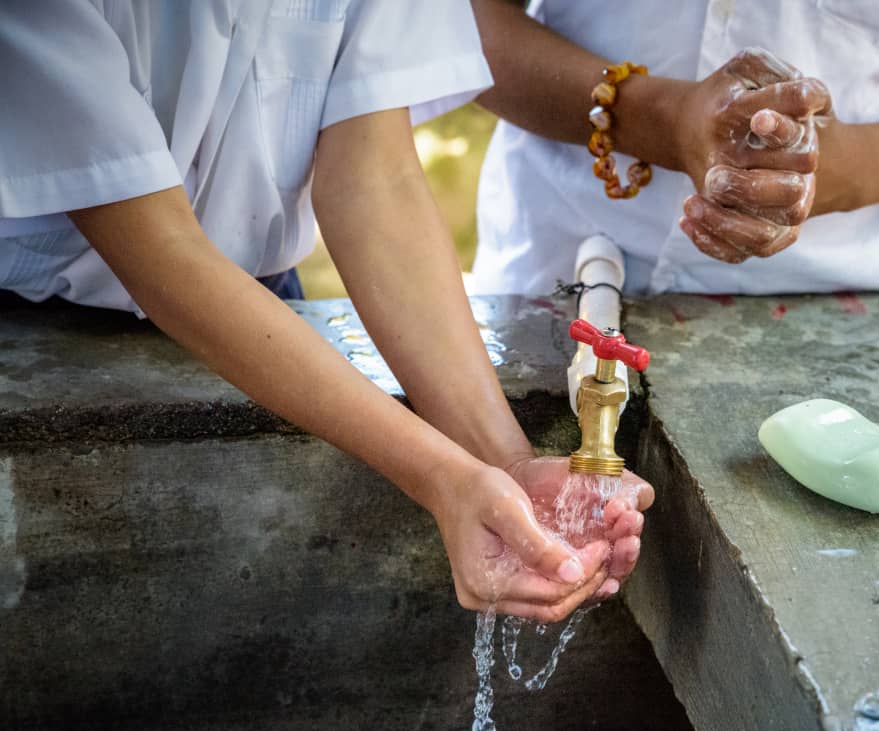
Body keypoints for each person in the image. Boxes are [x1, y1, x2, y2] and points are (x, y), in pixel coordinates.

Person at [0, 0, 650, 623]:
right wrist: (443, 479)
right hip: (34, 324)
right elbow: (155, 245)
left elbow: (375, 175)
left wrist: (503, 466)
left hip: (259, 303)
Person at [468, 0, 879, 295]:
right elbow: (456, 22)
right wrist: (659, 120)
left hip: (835, 295)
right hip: (557, 264)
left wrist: (839, 171)